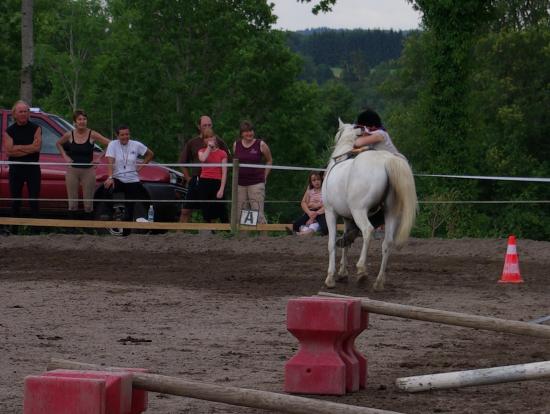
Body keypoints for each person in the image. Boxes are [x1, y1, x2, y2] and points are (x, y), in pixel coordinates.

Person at [337, 108, 397, 247]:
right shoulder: (375, 133)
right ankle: (356, 228)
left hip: (395, 170)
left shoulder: (380, 134)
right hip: (384, 171)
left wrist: (353, 134)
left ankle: (356, 229)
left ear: (371, 126)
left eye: (362, 126)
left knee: (385, 209)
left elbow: (357, 143)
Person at [55, 110, 110, 220]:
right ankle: (72, 229)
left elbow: (110, 143)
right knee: (72, 202)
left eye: (84, 119)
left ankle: (89, 230)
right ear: (75, 122)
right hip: (72, 170)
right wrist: (65, 157)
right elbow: (58, 143)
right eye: (79, 119)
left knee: (88, 203)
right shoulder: (69, 134)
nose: (82, 121)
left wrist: (99, 158)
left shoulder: (92, 134)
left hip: (88, 171)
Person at [179, 115, 230, 222]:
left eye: (209, 125)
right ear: (199, 126)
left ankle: (214, 234)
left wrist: (222, 183)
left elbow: (228, 159)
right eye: (204, 125)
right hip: (197, 179)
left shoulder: (219, 141)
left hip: (215, 180)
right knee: (186, 210)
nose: (207, 127)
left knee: (214, 210)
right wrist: (188, 178)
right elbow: (182, 162)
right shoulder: (192, 142)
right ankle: (180, 234)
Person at [104, 125, 154, 221]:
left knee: (130, 207)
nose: (125, 137)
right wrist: (110, 177)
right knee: (106, 188)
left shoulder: (136, 144)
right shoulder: (112, 144)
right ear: (117, 136)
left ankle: (126, 233)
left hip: (132, 179)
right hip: (117, 177)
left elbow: (150, 154)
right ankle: (113, 212)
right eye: (122, 135)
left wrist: (142, 166)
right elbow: (110, 162)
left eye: (127, 134)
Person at [4, 100, 42, 220]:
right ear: (15, 114)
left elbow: (37, 148)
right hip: (16, 168)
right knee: (16, 200)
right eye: (21, 111)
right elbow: (9, 151)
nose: (23, 114)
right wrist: (28, 148)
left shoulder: (36, 128)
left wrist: (18, 148)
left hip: (32, 168)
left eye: (26, 111)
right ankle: (14, 229)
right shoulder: (9, 131)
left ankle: (35, 229)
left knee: (34, 200)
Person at [233, 120, 272, 224]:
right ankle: (243, 239)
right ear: (241, 133)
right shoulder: (236, 145)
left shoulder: (261, 144)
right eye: (246, 131)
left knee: (258, 214)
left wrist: (265, 176)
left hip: (256, 184)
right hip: (240, 184)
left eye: (251, 130)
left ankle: (265, 239)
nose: (249, 133)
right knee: (241, 215)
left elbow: (269, 160)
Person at [197, 127, 229, 222]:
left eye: (211, 137)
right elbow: (202, 159)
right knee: (206, 209)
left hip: (217, 182)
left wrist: (221, 189)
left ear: (215, 137)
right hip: (204, 182)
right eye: (206, 137)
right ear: (204, 140)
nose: (209, 139)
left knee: (221, 209)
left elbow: (224, 172)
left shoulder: (222, 153)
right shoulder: (201, 151)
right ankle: (208, 232)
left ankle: (227, 232)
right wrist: (209, 148)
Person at [292, 171, 327, 236]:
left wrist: (315, 214)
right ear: (311, 182)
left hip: (321, 213)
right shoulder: (310, 191)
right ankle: (304, 232)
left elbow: (327, 205)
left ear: (322, 180)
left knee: (325, 228)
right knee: (295, 225)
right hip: (310, 212)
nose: (316, 182)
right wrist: (309, 213)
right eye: (314, 180)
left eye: (318, 179)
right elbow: (303, 202)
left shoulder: (325, 190)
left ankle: (303, 233)